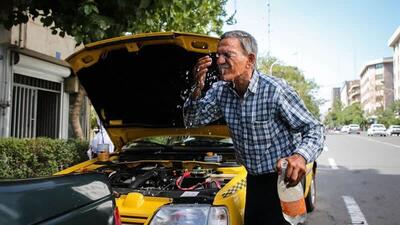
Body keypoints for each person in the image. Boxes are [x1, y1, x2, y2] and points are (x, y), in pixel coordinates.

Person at [183, 30, 324, 225]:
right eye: (218, 55)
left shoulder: (275, 90)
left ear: (249, 60)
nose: (220, 61)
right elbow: (192, 120)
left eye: (227, 55)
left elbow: (315, 129)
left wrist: (300, 156)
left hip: (284, 182)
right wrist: (197, 86)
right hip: (253, 182)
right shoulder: (220, 91)